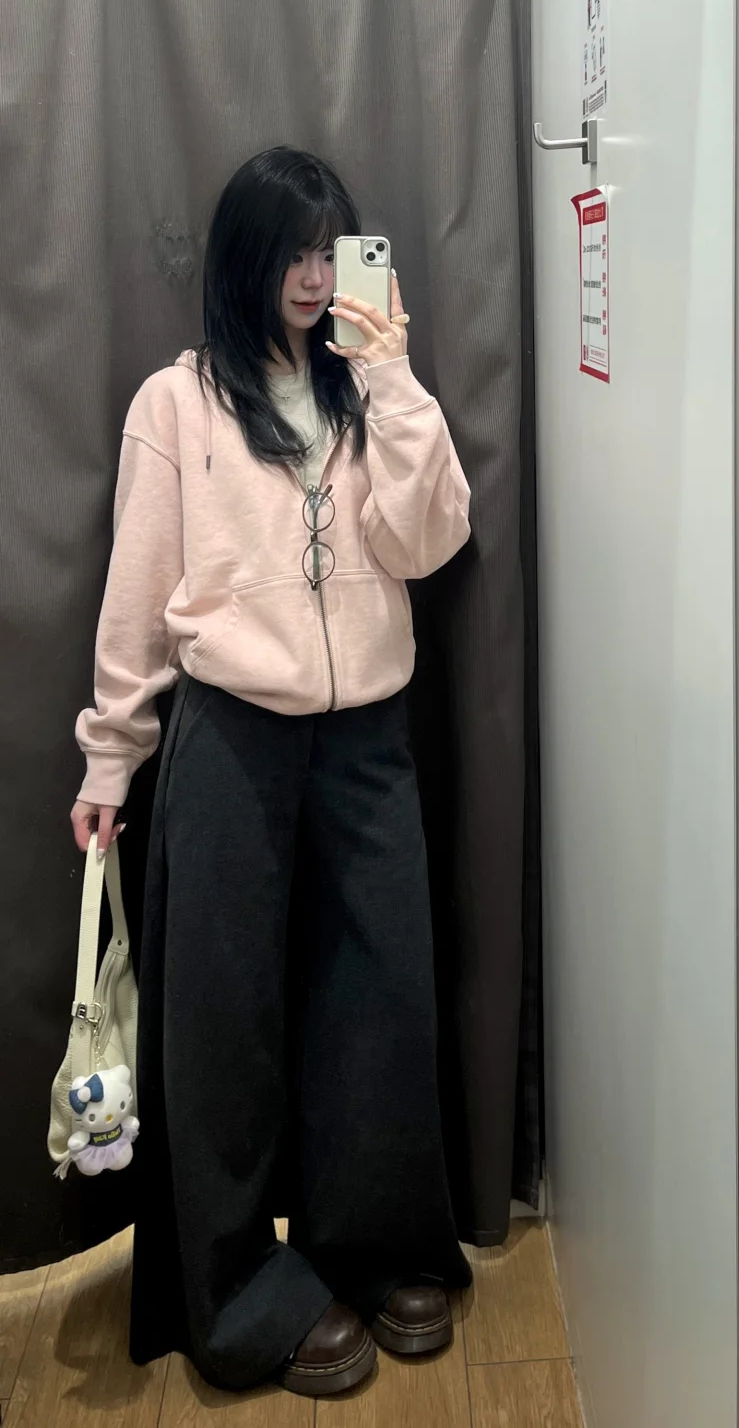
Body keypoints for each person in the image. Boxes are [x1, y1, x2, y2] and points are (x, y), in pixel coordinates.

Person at [69, 146, 473, 1398]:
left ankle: (380, 1247)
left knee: (381, 998)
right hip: (230, 736)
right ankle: (239, 1291)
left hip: (368, 742)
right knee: (223, 1021)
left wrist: (392, 376)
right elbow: (139, 591)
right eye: (291, 252)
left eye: (328, 251)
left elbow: (430, 538)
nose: (311, 276)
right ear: (245, 258)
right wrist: (110, 756)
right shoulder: (176, 404)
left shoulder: (368, 388)